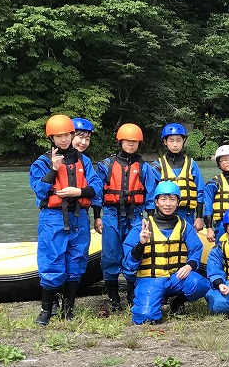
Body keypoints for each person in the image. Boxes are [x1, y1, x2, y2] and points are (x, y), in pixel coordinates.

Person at [29, 115, 102, 325]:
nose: (64, 139)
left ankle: (67, 310)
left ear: (72, 135)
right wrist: (53, 169)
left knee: (76, 263)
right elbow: (40, 191)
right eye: (59, 136)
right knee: (52, 262)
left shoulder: (83, 160)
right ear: (51, 138)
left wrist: (78, 191)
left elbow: (96, 187)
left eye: (67, 135)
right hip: (53, 218)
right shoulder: (42, 163)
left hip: (78, 217)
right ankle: (45, 311)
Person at [122, 181, 210, 324]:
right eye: (163, 199)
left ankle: (177, 302)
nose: (168, 204)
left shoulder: (184, 226)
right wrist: (141, 244)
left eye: (172, 199)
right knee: (146, 317)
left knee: (201, 284)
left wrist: (189, 266)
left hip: (176, 278)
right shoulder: (142, 227)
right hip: (151, 280)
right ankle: (152, 300)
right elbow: (129, 265)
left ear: (177, 202)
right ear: (156, 202)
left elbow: (196, 249)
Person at [96, 123, 158, 312]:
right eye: (128, 141)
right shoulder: (106, 165)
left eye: (135, 142)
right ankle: (114, 297)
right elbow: (98, 193)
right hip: (111, 214)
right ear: (120, 141)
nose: (131, 145)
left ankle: (131, 294)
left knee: (133, 252)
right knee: (111, 255)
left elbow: (150, 193)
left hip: (136, 214)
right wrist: (96, 216)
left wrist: (150, 218)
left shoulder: (144, 167)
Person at [152, 123, 205, 231]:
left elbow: (200, 191)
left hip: (187, 214)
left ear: (183, 142)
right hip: (164, 214)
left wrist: (199, 217)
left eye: (179, 140)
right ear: (165, 142)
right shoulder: (157, 165)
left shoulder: (192, 164)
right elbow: (151, 193)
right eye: (171, 140)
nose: (175, 144)